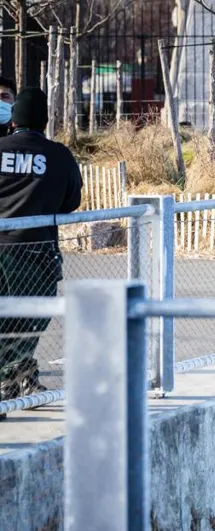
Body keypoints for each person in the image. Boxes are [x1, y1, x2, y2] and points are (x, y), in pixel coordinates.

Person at [0, 88, 83, 417]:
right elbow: (71, 202)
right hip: (37, 251)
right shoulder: (59, 155)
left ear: (13, 119)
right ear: (45, 121)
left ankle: (16, 379)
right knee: (30, 318)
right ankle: (14, 380)